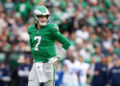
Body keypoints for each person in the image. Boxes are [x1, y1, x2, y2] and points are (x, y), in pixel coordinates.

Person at [27, 5, 71, 86]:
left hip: (49, 63)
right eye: (41, 16)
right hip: (37, 62)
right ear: (36, 17)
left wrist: (58, 57)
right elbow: (32, 44)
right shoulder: (31, 29)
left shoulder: (51, 28)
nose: (43, 19)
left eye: (45, 16)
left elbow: (67, 43)